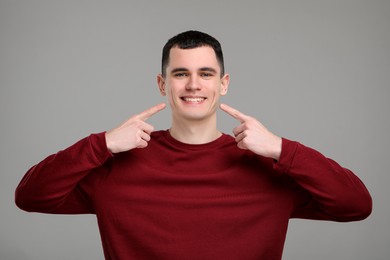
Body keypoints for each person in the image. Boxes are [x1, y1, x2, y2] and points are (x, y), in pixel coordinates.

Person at [15, 30, 372, 260]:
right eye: (180, 73)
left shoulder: (268, 167)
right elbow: (31, 196)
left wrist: (283, 148)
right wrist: (102, 144)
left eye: (206, 74)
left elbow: (355, 205)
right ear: (162, 84)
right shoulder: (116, 165)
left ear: (224, 83)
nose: (193, 85)